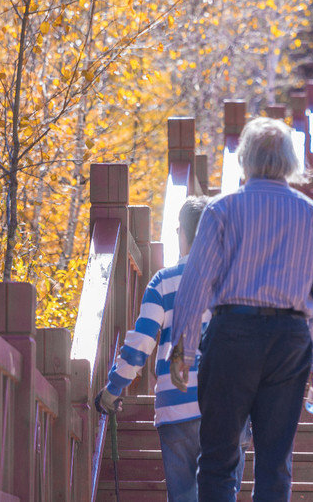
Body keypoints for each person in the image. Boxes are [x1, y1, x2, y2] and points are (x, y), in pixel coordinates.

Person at [169, 116, 313, 502]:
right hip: (289, 341)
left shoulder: (221, 210)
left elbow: (195, 283)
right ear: (291, 161)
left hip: (232, 335)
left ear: (244, 158)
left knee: (217, 458)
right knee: (275, 462)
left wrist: (184, 347)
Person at [95, 196, 244, 502]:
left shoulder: (163, 283)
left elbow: (140, 345)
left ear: (182, 233)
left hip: (176, 410)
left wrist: (112, 390)